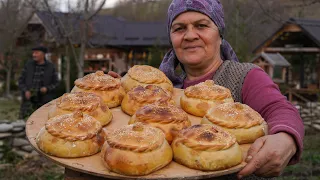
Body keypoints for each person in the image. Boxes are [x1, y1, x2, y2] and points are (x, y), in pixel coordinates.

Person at [157, 0, 304, 179]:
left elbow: (279, 109)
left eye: (201, 25)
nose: (189, 35)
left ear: (220, 34)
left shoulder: (244, 76)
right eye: (179, 28)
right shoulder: (161, 87)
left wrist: (286, 137)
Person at [18, 46, 59, 119]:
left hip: (44, 101)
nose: (34, 55)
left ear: (43, 54)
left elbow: (56, 83)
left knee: (41, 120)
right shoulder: (28, 65)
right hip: (28, 100)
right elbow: (21, 81)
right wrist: (26, 90)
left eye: (36, 53)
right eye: (33, 53)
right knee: (25, 121)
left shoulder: (50, 67)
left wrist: (47, 89)